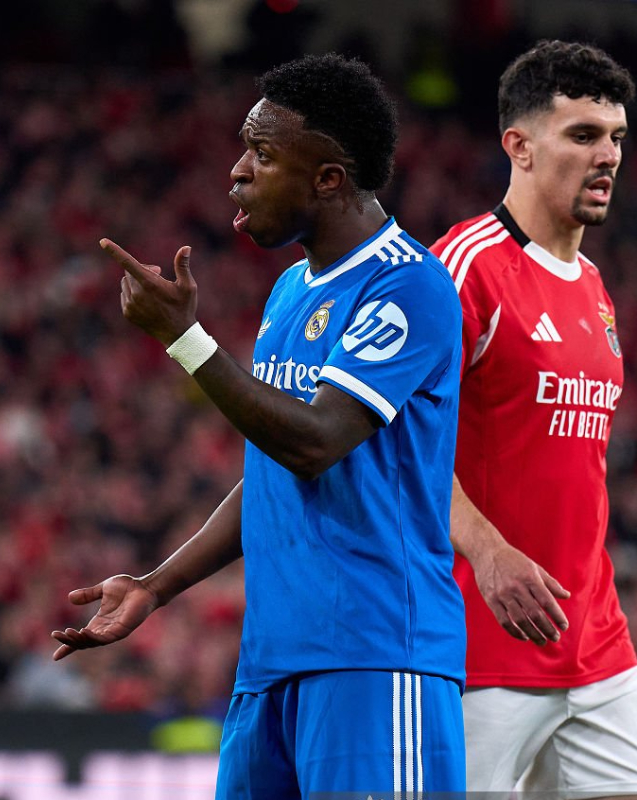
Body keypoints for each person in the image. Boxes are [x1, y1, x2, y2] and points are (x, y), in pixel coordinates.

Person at [52, 54, 467, 798]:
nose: (237, 171)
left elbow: (315, 441)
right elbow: (273, 469)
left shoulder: (409, 285)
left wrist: (186, 340)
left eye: (262, 154)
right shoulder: (290, 290)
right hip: (271, 665)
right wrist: (156, 586)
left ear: (328, 178)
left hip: (375, 658)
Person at [431, 40, 637, 796]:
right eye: (582, 135)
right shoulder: (463, 267)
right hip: (479, 649)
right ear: (518, 146)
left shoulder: (594, 285)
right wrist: (488, 554)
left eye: (616, 136)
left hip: (597, 648)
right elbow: (392, 444)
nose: (608, 155)